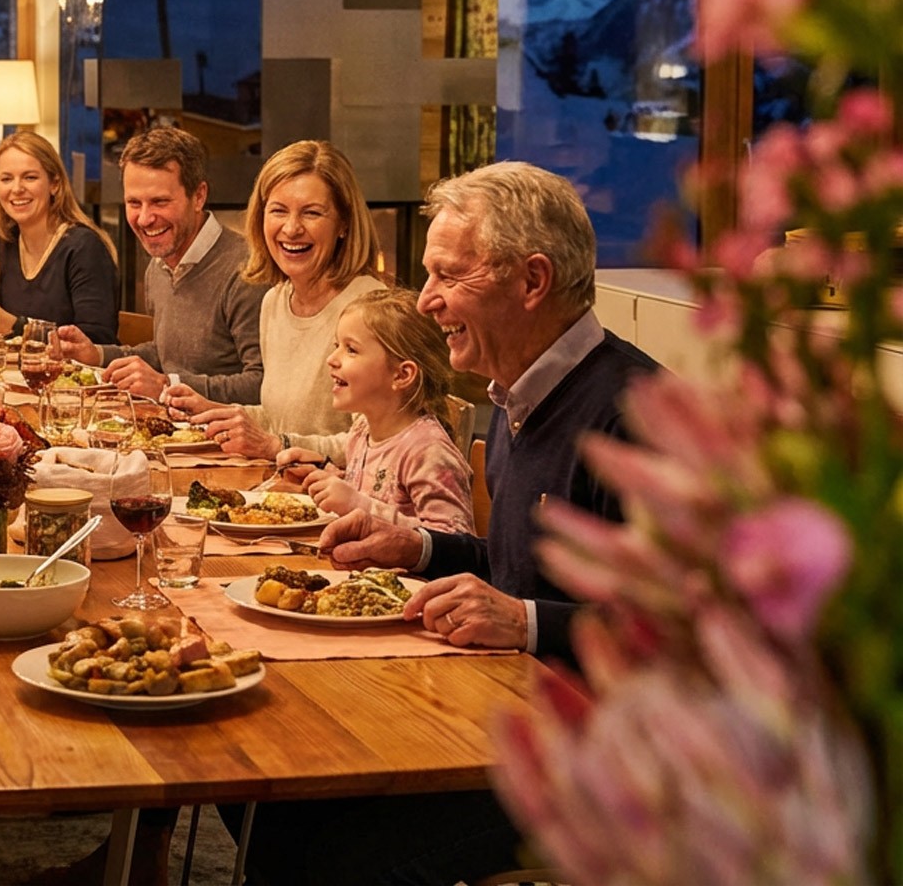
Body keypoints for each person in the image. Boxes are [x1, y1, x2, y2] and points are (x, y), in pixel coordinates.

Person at [231, 162, 664, 886]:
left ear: (532, 281)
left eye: (447, 276)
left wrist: (523, 622)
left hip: (592, 758)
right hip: (499, 710)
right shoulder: (517, 398)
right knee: (267, 801)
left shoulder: (633, 416)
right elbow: (516, 562)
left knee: (329, 853)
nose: (426, 302)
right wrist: (421, 545)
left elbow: (677, 635)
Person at [168, 140, 384, 458]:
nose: (292, 228)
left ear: (343, 223)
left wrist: (275, 446)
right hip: (284, 489)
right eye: (278, 211)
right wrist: (213, 411)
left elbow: (375, 446)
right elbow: (280, 419)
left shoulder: (370, 309)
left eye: (312, 213)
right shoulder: (275, 301)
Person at [54, 127, 264, 400]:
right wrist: (97, 354)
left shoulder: (247, 272)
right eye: (133, 203)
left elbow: (261, 384)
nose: (144, 218)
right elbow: (167, 354)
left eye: (159, 202)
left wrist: (167, 386)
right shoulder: (159, 265)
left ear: (199, 196)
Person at [279, 288, 472, 537]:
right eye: (337, 345)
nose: (331, 359)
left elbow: (453, 543)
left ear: (402, 375)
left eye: (351, 350)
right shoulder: (362, 429)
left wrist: (357, 505)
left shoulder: (427, 451)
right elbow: (373, 493)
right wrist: (325, 474)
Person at [0, 130, 117, 343]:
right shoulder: (3, 244)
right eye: (6, 179)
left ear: (55, 184)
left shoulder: (84, 247)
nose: (17, 189)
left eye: (30, 177)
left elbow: (96, 341)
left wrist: (17, 327)